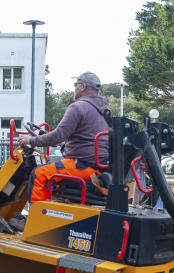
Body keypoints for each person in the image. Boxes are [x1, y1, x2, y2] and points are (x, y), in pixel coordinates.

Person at [20, 71, 110, 204]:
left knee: (39, 174)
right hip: (98, 166)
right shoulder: (105, 111)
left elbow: (58, 136)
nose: (74, 88)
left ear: (83, 86)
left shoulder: (78, 107)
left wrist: (30, 140)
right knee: (48, 172)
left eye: (76, 84)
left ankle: (37, 221)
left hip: (83, 165)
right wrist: (45, 137)